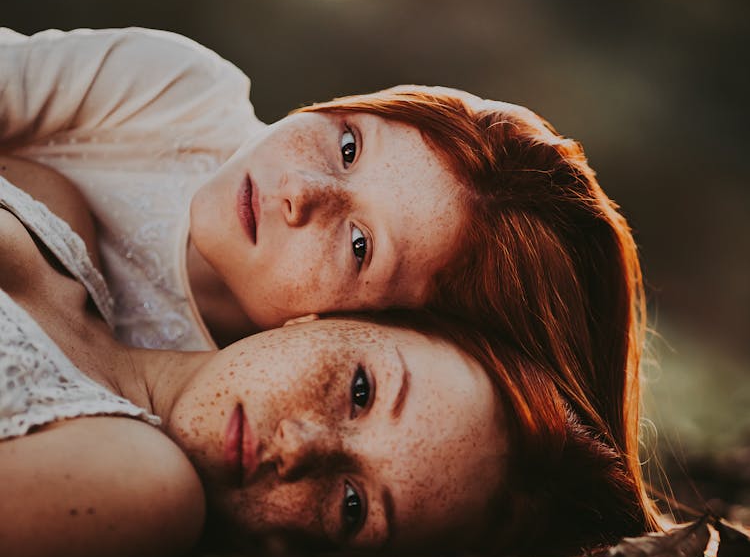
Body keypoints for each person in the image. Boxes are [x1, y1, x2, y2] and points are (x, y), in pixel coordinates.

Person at [0, 26, 651, 524]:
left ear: (371, 322)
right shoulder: (175, 99)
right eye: (348, 146)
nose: (300, 192)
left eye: (360, 244)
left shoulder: (223, 415)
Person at [0, 160, 650, 557]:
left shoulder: (144, 487)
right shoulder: (55, 208)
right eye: (361, 391)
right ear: (333, 314)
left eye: (350, 505)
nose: (301, 447)